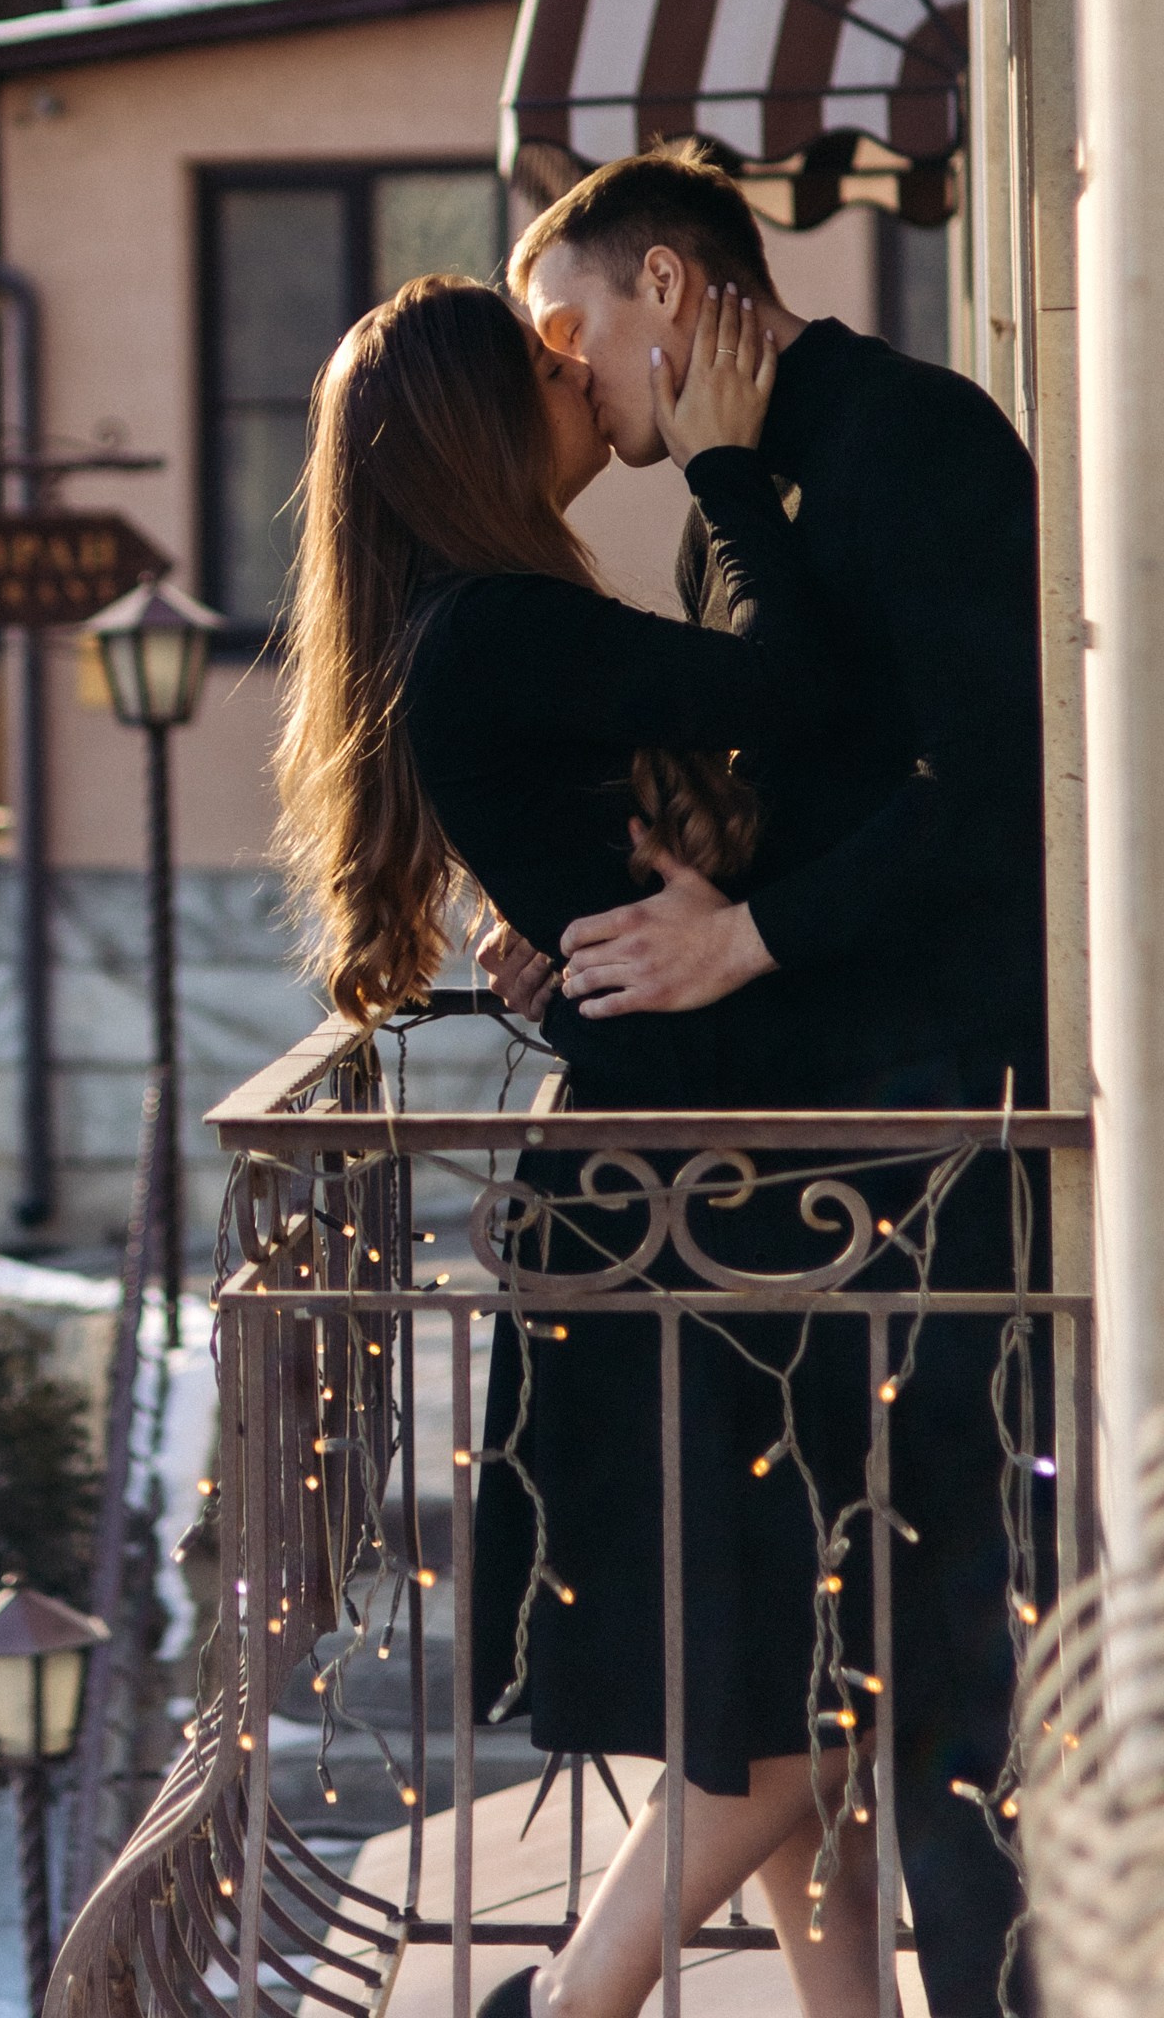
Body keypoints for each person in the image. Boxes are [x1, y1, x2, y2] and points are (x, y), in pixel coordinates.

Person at [276, 273, 885, 2018]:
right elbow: (810, 696)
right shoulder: (501, 629)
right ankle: (564, 2006)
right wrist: (730, 470)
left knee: (772, 1688)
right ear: (479, 422)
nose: (576, 373)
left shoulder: (471, 629)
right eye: (540, 363)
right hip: (695, 1197)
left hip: (672, 1186)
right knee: (803, 1698)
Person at [489, 147, 1046, 2018]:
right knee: (811, 1644)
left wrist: (747, 943)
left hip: (939, 1136)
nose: (562, 375)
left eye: (565, 328)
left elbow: (995, 786)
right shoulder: (724, 513)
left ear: (666, 285)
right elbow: (782, 789)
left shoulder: (917, 439)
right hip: (807, 1156)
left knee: (924, 1643)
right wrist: (613, 915)